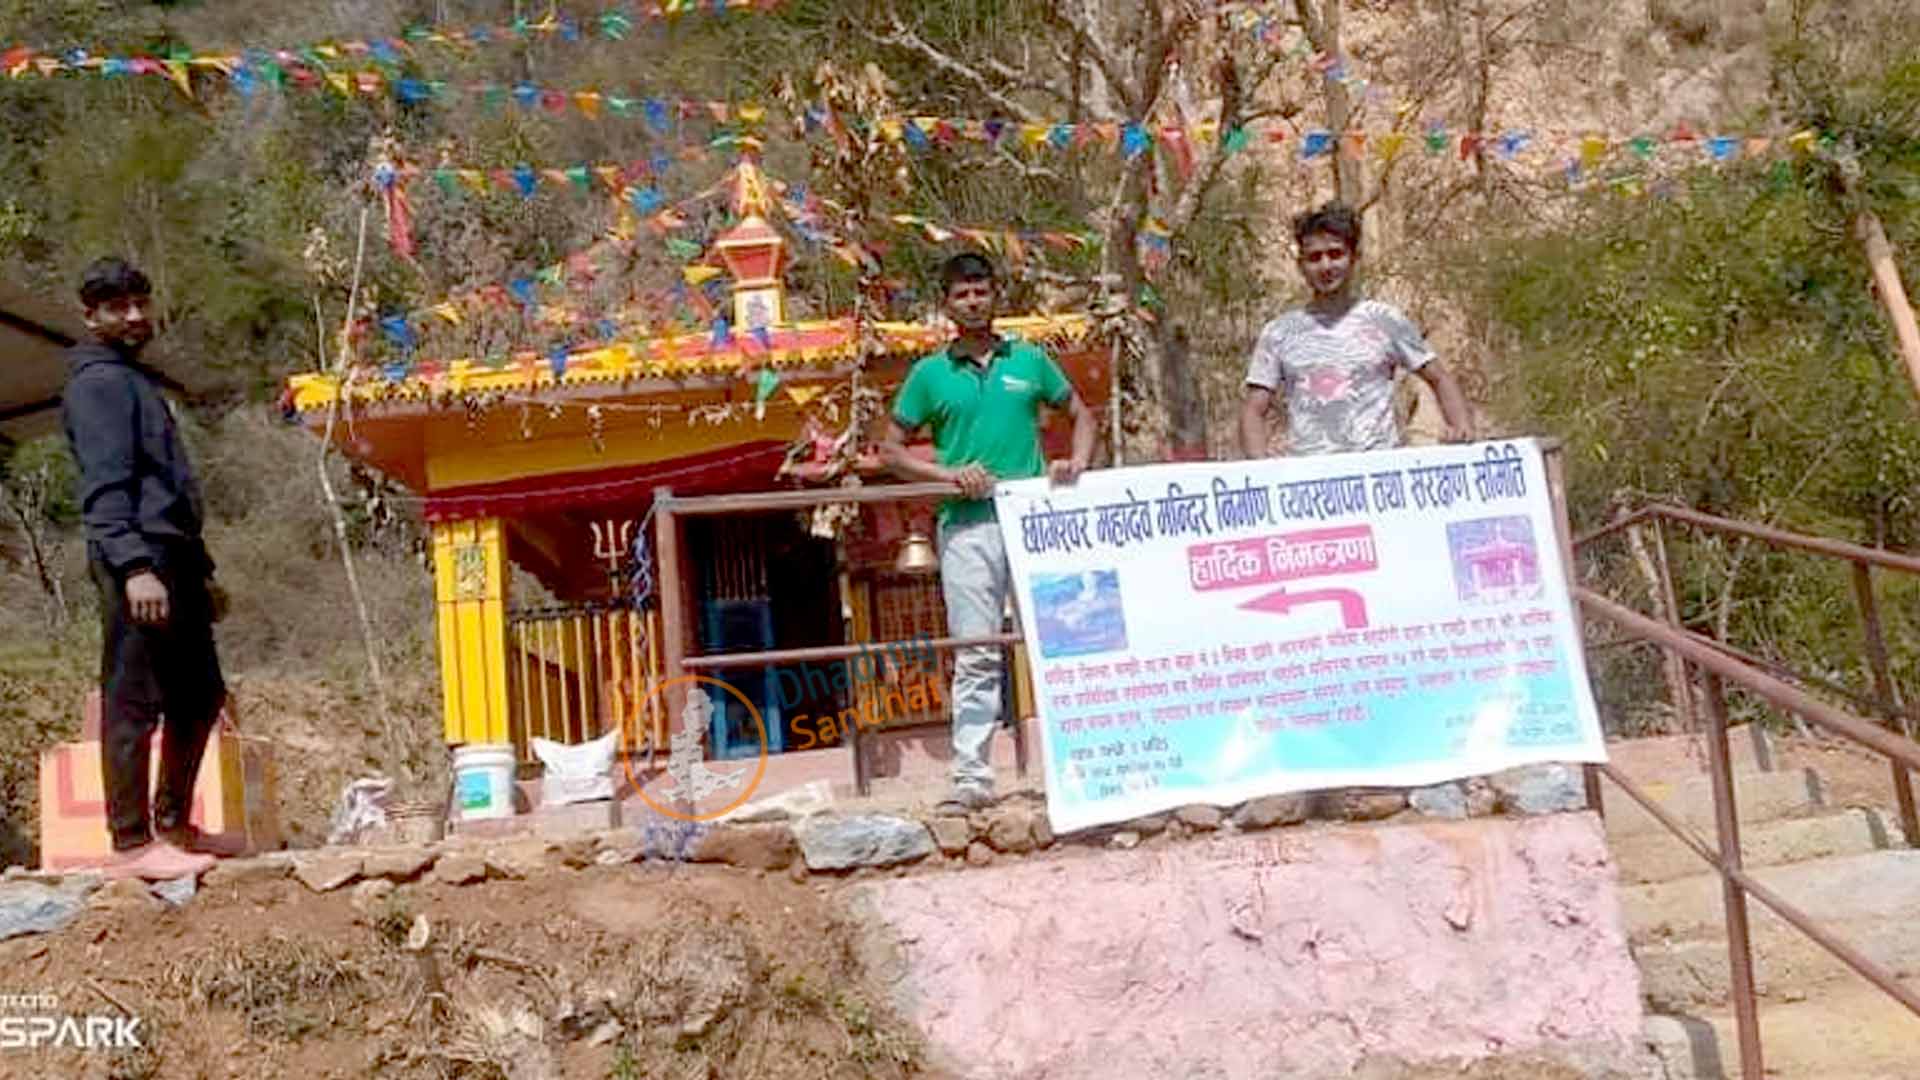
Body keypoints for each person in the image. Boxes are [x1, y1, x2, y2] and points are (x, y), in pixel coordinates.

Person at [882, 252, 1096, 813]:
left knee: (1058, 645)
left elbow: (1082, 413)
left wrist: (1074, 464)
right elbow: (891, 450)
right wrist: (949, 475)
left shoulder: (1029, 359)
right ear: (947, 304)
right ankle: (973, 779)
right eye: (961, 294)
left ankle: (1080, 767)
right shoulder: (929, 374)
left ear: (996, 294)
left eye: (981, 291)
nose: (973, 302)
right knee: (976, 651)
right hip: (966, 528)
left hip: (1034, 524)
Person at [62, 256, 230, 881]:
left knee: (199, 692)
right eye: (116, 307)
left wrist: (200, 571)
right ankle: (131, 842)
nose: (133, 316)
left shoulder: (134, 379)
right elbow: (107, 488)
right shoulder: (99, 384)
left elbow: (166, 487)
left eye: (139, 302)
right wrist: (134, 566)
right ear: (91, 316)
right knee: (132, 697)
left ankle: (173, 824)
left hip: (173, 554)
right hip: (138, 553)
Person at [1238, 203, 1474, 458]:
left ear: (1354, 257)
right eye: (1315, 257)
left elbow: (1438, 377)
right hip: (1311, 482)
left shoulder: (1385, 320)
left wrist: (1462, 429)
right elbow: (1253, 409)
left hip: (1380, 474)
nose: (1326, 266)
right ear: (1301, 264)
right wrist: (1260, 469)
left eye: (1336, 254)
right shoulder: (1279, 333)